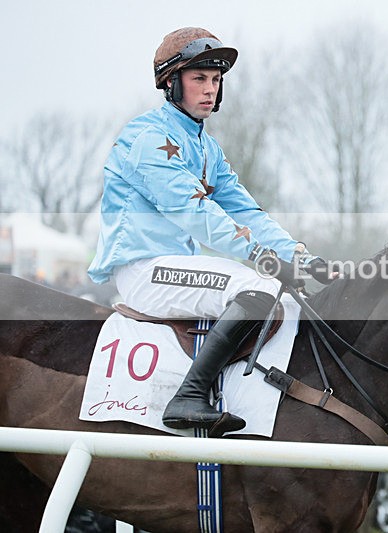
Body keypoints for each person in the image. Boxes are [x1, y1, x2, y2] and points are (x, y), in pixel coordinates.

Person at [87, 27, 336, 436]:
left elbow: (246, 211)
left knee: (287, 300)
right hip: (142, 270)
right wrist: (266, 260)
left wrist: (300, 257)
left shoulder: (207, 147)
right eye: (199, 79)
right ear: (171, 83)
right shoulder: (148, 138)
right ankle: (187, 397)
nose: (210, 90)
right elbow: (195, 212)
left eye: (216, 80)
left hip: (177, 268)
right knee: (254, 289)